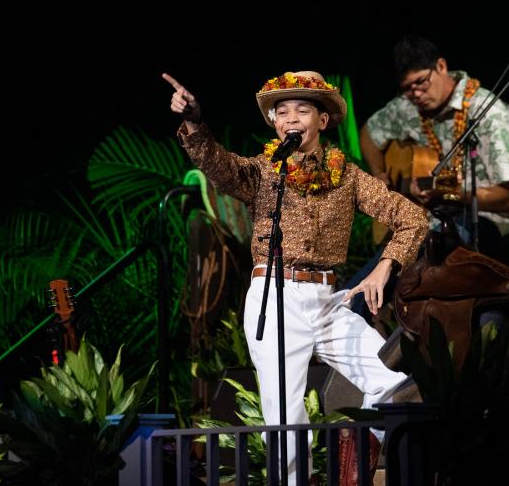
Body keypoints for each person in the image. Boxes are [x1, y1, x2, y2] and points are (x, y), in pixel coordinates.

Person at [163, 70, 428, 485]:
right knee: (286, 421)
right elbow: (218, 165)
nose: (290, 118)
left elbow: (413, 218)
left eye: (302, 110)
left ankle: (355, 463)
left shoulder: (348, 176)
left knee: (394, 385)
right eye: (282, 111)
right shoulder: (263, 172)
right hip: (275, 296)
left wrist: (385, 266)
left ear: (322, 120)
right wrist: (194, 121)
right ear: (274, 122)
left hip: (329, 301)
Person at [359, 35, 509, 257]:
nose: (416, 94)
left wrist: (449, 195)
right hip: (424, 222)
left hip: (484, 223)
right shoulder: (407, 106)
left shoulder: (489, 114)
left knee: (415, 258)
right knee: (370, 275)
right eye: (407, 88)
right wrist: (379, 173)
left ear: (441, 66)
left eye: (421, 82)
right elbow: (368, 133)